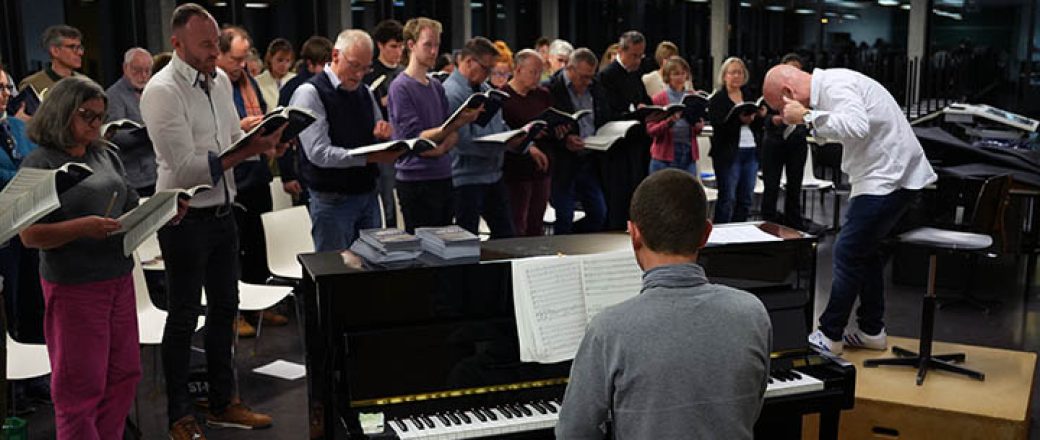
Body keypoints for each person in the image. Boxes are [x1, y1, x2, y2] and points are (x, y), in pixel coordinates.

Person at [140, 4, 288, 438]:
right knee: (184, 317)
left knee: (226, 310)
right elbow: (184, 167)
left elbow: (226, 141)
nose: (214, 51)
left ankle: (224, 401)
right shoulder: (162, 90)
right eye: (205, 45)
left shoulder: (219, 79)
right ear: (177, 43)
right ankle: (179, 415)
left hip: (225, 212)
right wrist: (246, 151)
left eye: (215, 43)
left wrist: (262, 136)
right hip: (184, 218)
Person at [555, 169, 771, 439]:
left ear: (634, 234)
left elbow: (573, 432)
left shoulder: (609, 329)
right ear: (706, 233)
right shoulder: (753, 313)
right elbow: (750, 409)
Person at [762, 64, 937, 355]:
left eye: (779, 106)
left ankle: (830, 334)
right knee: (864, 252)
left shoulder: (835, 86)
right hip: (887, 176)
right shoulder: (834, 84)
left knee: (846, 250)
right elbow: (847, 129)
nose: (782, 114)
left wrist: (805, 116)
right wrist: (811, 118)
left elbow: (857, 126)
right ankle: (871, 330)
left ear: (788, 93)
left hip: (887, 178)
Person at [19, 76, 146, 440]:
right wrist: (82, 227)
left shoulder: (103, 152)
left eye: (99, 116)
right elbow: (29, 236)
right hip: (74, 284)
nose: (95, 124)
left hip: (118, 277)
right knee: (80, 387)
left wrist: (163, 209)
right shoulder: (40, 163)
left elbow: (129, 201)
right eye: (86, 116)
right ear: (61, 114)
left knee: (124, 374)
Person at [288, 29, 400, 251]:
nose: (359, 74)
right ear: (336, 55)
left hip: (367, 194)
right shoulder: (310, 93)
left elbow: (379, 131)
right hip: (332, 199)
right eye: (354, 65)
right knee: (335, 275)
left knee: (371, 270)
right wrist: (368, 157)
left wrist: (385, 134)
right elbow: (319, 153)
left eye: (365, 68)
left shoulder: (366, 92)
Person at [215, 26, 285, 335]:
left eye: (245, 59)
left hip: (257, 174)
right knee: (233, 251)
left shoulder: (248, 83)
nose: (241, 66)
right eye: (235, 59)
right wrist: (241, 127)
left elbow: (266, 114)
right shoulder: (213, 85)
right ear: (218, 54)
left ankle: (260, 306)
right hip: (233, 179)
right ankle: (234, 312)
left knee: (258, 246)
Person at [386, 17, 476, 233]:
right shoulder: (400, 86)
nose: (434, 51)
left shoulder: (436, 85)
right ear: (411, 45)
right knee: (424, 249)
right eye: (428, 44)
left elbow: (450, 131)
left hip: (442, 174)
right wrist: (446, 136)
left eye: (436, 45)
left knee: (445, 245)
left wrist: (442, 144)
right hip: (416, 179)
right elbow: (414, 140)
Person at [443, 36, 527, 238]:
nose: (488, 74)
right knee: (467, 241)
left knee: (506, 237)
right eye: (486, 69)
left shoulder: (487, 90)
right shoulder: (451, 93)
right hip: (465, 179)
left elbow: (500, 125)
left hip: (493, 174)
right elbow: (461, 142)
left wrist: (515, 138)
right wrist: (500, 146)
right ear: (469, 61)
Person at [545, 48, 610, 234]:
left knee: (599, 213)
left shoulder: (595, 87)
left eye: (591, 76)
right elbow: (546, 125)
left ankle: (576, 244)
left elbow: (603, 115)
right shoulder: (552, 88)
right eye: (583, 77)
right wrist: (564, 139)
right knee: (564, 215)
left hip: (589, 157)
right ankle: (562, 252)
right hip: (564, 160)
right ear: (570, 69)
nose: (587, 82)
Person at [0, 66, 42, 349]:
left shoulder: (19, 126)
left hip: (31, 223)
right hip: (4, 232)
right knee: (11, 305)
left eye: (6, 87)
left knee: (34, 301)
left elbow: (35, 162)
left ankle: (39, 373)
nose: (5, 94)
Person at [597, 31, 653, 230]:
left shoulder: (635, 74)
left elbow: (643, 100)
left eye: (641, 55)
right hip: (617, 149)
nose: (638, 60)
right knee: (618, 201)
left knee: (635, 199)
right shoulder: (607, 76)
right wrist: (637, 112)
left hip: (637, 146)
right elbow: (608, 114)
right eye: (634, 55)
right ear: (621, 51)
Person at [501, 49, 555, 236]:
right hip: (517, 168)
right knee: (518, 221)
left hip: (542, 166)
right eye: (533, 72)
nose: (538, 77)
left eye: (540, 72)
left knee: (536, 222)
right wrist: (528, 142)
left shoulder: (542, 95)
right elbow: (505, 132)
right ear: (517, 70)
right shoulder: (504, 97)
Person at [277, 36, 334, 206]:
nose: (328, 69)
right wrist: (288, 175)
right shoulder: (292, 89)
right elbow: (283, 133)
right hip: (302, 167)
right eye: (324, 64)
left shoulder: (330, 86)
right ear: (310, 64)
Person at [708, 57, 763, 224]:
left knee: (745, 197)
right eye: (732, 73)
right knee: (727, 197)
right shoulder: (718, 99)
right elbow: (718, 126)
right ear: (725, 76)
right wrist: (740, 120)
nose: (736, 76)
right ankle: (721, 235)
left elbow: (758, 126)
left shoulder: (749, 95)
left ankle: (739, 232)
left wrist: (759, 116)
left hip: (750, 150)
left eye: (740, 72)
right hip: (728, 152)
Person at [760, 53, 809, 229]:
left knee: (795, 185)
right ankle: (768, 222)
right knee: (771, 185)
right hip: (774, 142)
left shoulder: (805, 94)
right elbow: (763, 118)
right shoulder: (772, 91)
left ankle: (794, 223)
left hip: (797, 142)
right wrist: (774, 120)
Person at [365, 19, 405, 228]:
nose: (397, 52)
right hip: (383, 145)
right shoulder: (369, 73)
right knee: (387, 204)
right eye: (393, 46)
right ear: (380, 45)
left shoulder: (404, 73)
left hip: (404, 143)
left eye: (401, 46)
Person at [106, 47, 156, 196]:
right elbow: (114, 136)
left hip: (156, 171)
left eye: (148, 71)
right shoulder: (113, 95)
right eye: (137, 70)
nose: (143, 76)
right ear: (125, 68)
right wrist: (151, 132)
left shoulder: (152, 91)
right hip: (133, 177)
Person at [645, 56, 703, 175]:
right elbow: (651, 130)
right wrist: (669, 122)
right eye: (676, 74)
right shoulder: (659, 98)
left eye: (683, 73)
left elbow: (696, 127)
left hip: (687, 153)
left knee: (688, 191)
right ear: (668, 76)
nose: (680, 77)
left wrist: (698, 125)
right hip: (664, 156)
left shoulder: (692, 96)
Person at [20, 25, 85, 93]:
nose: (80, 53)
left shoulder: (85, 84)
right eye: (73, 47)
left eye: (80, 48)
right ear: (55, 51)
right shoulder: (32, 86)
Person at [254, 38, 296, 111]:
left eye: (288, 61)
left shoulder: (296, 80)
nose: (284, 65)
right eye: (280, 60)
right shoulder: (257, 81)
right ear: (270, 58)